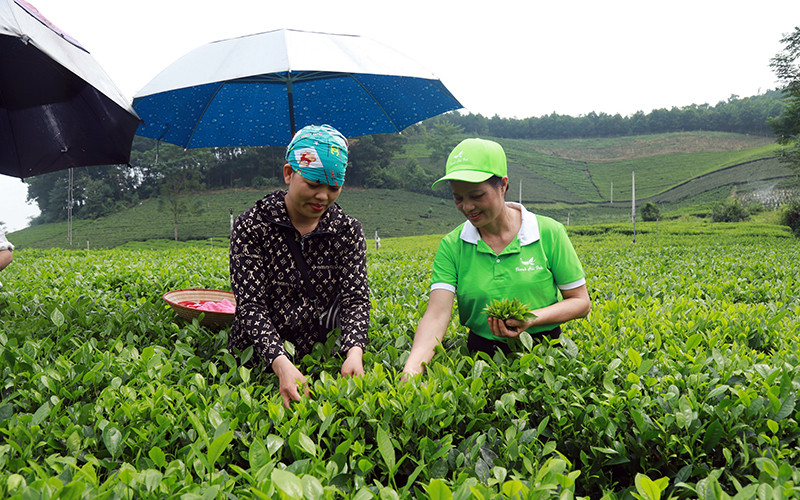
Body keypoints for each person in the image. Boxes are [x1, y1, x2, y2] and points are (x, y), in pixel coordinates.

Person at [402, 138, 591, 376]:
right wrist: (411, 371)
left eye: (477, 195)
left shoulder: (548, 232)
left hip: (546, 356)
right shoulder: (452, 245)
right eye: (458, 197)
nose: (467, 207)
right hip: (481, 359)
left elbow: (581, 302)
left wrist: (531, 319)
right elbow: (437, 315)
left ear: (502, 185)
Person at [228, 124, 369, 408]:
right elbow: (250, 305)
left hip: (322, 354)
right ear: (289, 174)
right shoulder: (252, 226)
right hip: (257, 359)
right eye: (313, 184)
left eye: (333, 187)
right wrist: (280, 363)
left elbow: (355, 299)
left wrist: (354, 351)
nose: (322, 197)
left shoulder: (347, 230)